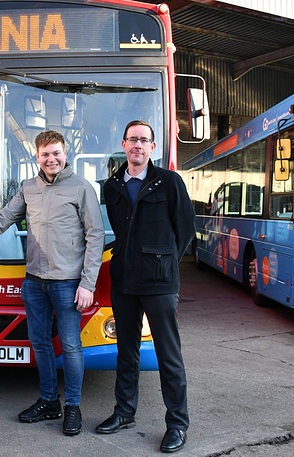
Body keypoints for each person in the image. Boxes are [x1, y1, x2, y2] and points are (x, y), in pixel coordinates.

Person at [0, 130, 104, 436]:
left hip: (68, 284)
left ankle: (72, 407)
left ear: (65, 154)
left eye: (56, 153)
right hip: (34, 282)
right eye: (45, 154)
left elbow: (95, 235)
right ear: (37, 157)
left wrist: (87, 283)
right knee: (39, 343)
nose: (51, 159)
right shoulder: (28, 188)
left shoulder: (81, 188)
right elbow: (1, 219)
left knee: (72, 346)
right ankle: (49, 401)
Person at [96, 120, 195, 453]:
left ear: (153, 147)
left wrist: (163, 261)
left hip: (159, 281)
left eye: (144, 140)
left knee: (168, 356)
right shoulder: (112, 186)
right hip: (124, 279)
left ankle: (177, 424)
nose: (138, 145)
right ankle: (124, 412)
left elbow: (185, 230)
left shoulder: (169, 182)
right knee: (126, 352)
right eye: (132, 140)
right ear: (123, 145)